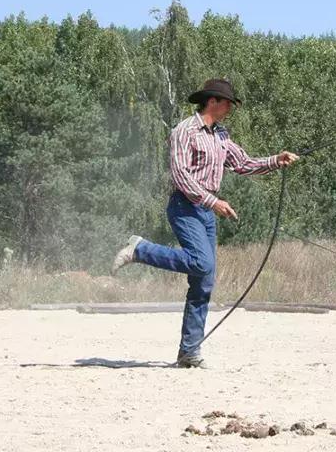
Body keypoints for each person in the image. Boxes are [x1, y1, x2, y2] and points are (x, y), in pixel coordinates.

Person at [110, 78, 299, 368]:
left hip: (205, 213)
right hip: (185, 207)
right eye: (227, 104)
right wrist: (214, 202)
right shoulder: (184, 131)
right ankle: (140, 250)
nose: (230, 109)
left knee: (203, 282)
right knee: (201, 263)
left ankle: (188, 351)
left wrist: (276, 160)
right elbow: (181, 177)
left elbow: (243, 164)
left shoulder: (221, 135)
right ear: (212, 101)